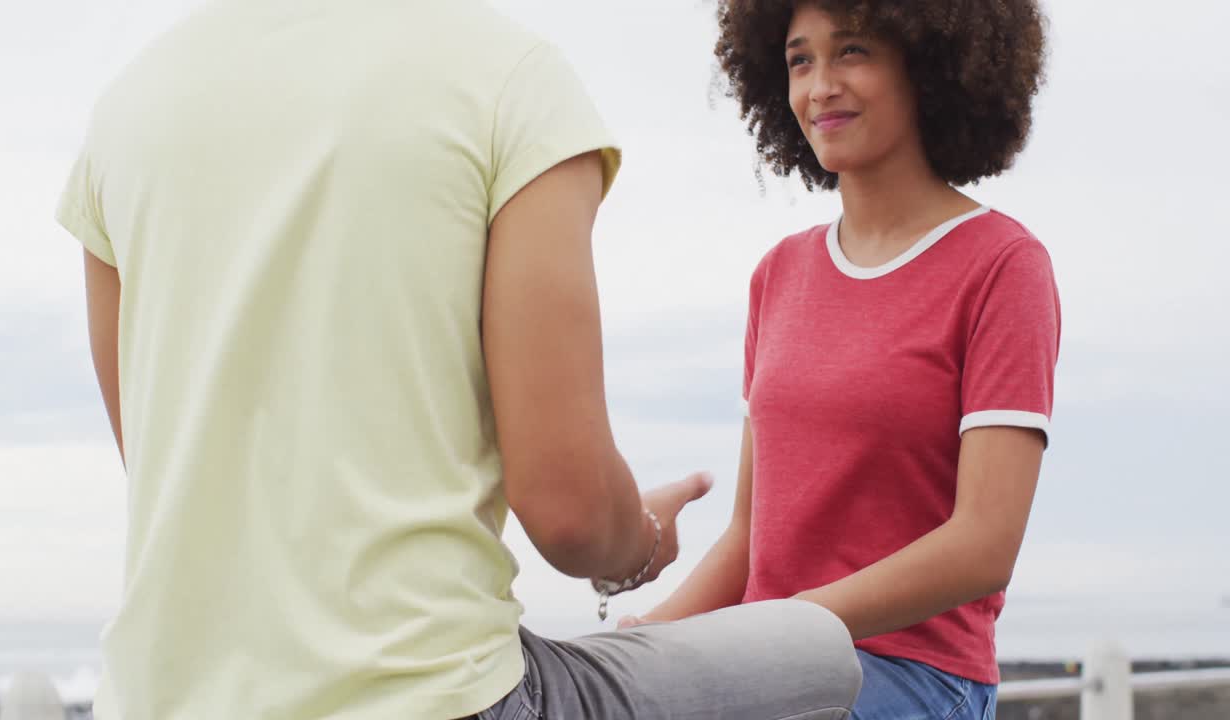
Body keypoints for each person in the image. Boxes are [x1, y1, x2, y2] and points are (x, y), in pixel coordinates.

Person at [56, 1, 860, 718]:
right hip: (435, 695)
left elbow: (163, 458)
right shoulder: (509, 80)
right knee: (818, 653)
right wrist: (642, 540)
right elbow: (572, 516)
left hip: (150, 701)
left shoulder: (127, 108)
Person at [620, 2, 1058, 719]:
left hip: (915, 677)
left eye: (852, 51)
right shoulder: (779, 274)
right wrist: (639, 644)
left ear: (927, 63)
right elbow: (748, 539)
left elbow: (984, 545)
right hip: (763, 665)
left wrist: (782, 631)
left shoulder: (1003, 265)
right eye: (800, 60)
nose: (820, 86)